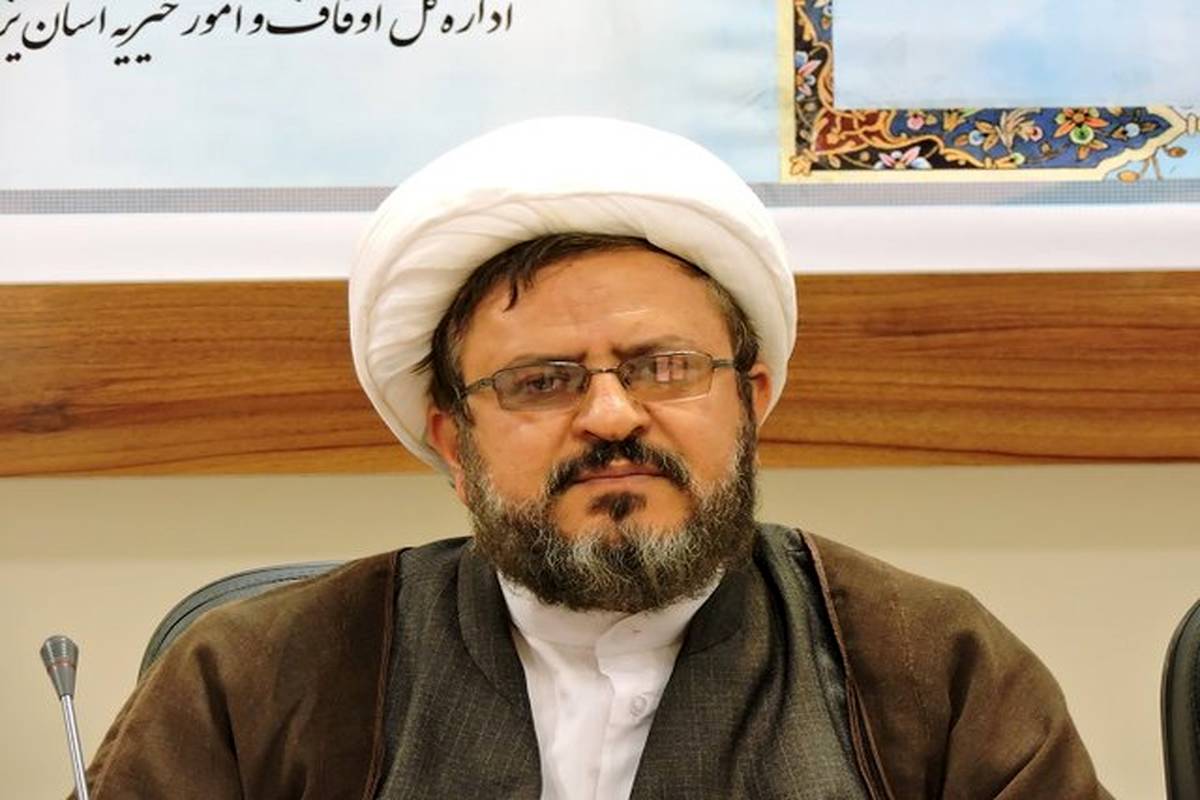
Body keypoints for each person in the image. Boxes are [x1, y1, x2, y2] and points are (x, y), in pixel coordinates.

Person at [80, 118, 1111, 799]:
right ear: (453, 440)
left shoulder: (930, 668)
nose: (612, 415)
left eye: (664, 367)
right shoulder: (257, 676)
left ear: (750, 402)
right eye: (542, 380)